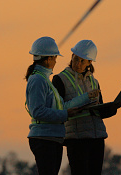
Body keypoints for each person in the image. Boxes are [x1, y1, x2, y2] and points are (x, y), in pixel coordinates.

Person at [52, 39, 121, 175]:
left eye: (82, 61)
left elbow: (99, 111)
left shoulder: (94, 81)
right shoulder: (60, 79)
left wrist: (115, 107)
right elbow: (58, 109)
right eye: (75, 58)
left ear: (90, 62)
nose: (77, 63)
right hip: (76, 139)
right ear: (71, 56)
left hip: (97, 137)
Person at [25, 36, 84, 175]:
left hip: (52, 138)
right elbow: (38, 111)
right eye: (54, 57)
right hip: (44, 138)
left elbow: (61, 105)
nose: (56, 61)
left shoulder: (44, 79)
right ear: (48, 59)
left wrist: (87, 98)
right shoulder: (38, 80)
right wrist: (65, 114)